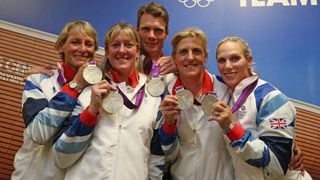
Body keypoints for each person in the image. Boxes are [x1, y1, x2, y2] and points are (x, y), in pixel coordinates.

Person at [52, 23, 163, 180]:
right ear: (107, 52)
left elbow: (156, 159)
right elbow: (61, 157)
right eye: (115, 45)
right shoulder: (86, 88)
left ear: (137, 51)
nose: (122, 50)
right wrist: (91, 111)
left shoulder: (154, 96)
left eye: (129, 45)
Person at [211, 36, 312, 179]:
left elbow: (276, 166)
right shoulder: (224, 93)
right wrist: (173, 63)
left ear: (249, 61)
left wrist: (232, 128)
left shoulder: (273, 99)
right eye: (222, 60)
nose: (227, 66)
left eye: (235, 58)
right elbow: (193, 72)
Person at [12, 20, 99, 180]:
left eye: (89, 44)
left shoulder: (96, 92)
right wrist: (75, 86)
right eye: (75, 42)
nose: (83, 49)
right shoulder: (38, 81)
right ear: (61, 46)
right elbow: (38, 133)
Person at [158, 28, 235, 180]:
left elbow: (250, 125)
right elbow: (167, 155)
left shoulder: (227, 89)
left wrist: (292, 149)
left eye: (197, 51)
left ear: (205, 57)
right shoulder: (165, 93)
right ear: (174, 57)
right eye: (183, 52)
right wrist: (169, 123)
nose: (190, 57)